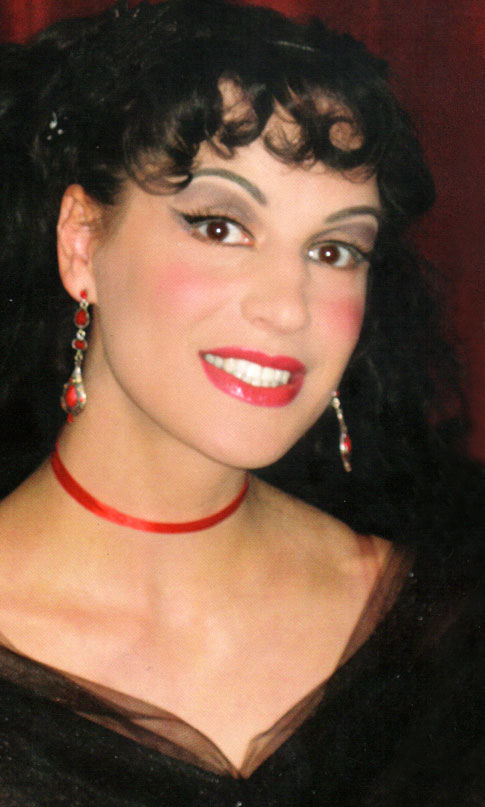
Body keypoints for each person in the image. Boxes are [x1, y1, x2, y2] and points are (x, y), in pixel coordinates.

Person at [0, 0, 483, 804]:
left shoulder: (447, 628)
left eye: (333, 249)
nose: (287, 306)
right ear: (81, 241)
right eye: (220, 227)